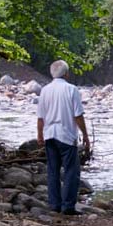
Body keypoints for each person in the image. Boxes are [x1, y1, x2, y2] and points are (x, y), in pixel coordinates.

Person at [36, 60, 91, 215]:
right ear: (66, 73)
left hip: (50, 135)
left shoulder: (45, 90)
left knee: (53, 171)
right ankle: (67, 206)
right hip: (66, 135)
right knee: (71, 172)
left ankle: (54, 204)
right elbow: (78, 115)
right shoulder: (71, 89)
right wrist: (85, 135)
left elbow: (40, 117)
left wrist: (40, 135)